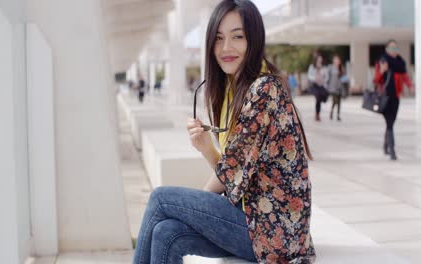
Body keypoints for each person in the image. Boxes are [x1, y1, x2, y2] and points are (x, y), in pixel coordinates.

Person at [132, 0, 316, 263]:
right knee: (166, 232)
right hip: (256, 221)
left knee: (161, 199)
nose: (226, 48)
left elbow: (229, 176)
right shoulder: (237, 89)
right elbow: (236, 174)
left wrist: (192, 207)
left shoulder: (265, 89)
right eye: (218, 39)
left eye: (237, 37)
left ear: (254, 39)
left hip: (274, 232)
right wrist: (207, 149)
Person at [373, 40, 414, 160]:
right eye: (391, 47)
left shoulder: (400, 62)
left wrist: (410, 86)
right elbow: (376, 80)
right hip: (385, 97)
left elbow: (405, 77)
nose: (394, 50)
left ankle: (385, 145)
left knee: (391, 122)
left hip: (396, 96)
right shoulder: (382, 61)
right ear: (386, 49)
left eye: (395, 47)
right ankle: (392, 150)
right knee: (390, 123)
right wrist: (382, 71)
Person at [327, 54, 348, 121]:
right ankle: (331, 113)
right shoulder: (331, 68)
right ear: (333, 60)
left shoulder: (341, 68)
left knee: (339, 102)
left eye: (338, 59)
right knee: (334, 101)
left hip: (340, 87)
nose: (337, 61)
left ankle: (338, 115)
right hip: (333, 88)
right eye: (335, 59)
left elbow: (345, 77)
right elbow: (328, 77)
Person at [307, 55, 329, 121]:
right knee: (318, 98)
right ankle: (317, 114)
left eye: (321, 59)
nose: (320, 60)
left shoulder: (324, 67)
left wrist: (323, 80)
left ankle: (317, 114)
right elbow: (309, 76)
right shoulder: (312, 67)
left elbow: (327, 77)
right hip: (314, 85)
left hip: (321, 85)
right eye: (319, 59)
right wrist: (314, 79)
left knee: (323, 97)